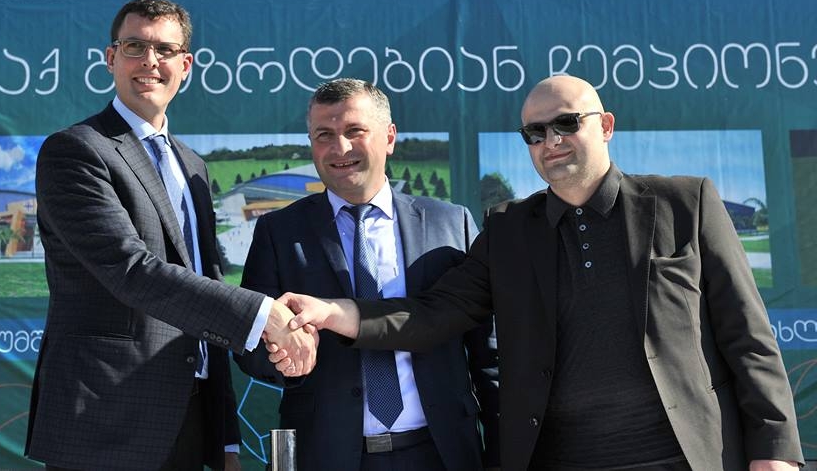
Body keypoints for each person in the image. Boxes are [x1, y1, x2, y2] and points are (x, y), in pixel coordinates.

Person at [277, 75, 804, 471]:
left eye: (566, 123)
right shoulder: (508, 230)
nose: (551, 140)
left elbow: (749, 338)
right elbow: (434, 313)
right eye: (535, 132)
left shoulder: (685, 203)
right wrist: (336, 312)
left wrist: (775, 450)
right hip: (561, 458)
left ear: (606, 126)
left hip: (685, 454)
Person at [24, 0, 316, 471]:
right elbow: (131, 271)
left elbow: (204, 287)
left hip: (190, 417)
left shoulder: (192, 166)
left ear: (186, 65)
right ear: (111, 58)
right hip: (105, 421)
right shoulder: (76, 151)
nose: (150, 61)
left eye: (164, 49)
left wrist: (225, 438)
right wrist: (264, 315)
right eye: (134, 46)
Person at [234, 79, 499, 471]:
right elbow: (250, 346)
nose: (340, 148)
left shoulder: (450, 223)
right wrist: (284, 354)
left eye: (354, 131)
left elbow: (488, 354)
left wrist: (501, 454)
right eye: (324, 135)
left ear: (389, 137)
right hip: (327, 456)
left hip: (440, 453)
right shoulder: (279, 232)